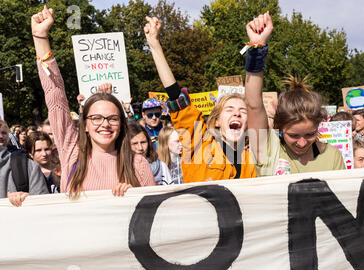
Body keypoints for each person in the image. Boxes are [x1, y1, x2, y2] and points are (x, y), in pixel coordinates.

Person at [32, 6, 155, 199]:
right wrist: (40, 37)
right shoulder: (71, 151)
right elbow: (55, 96)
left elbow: (154, 213)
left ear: (122, 124)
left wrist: (135, 197)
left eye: (112, 118)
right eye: (96, 118)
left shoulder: (137, 163)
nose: (105, 124)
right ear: (86, 124)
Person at [144, 16, 256, 182]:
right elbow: (176, 96)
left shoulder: (250, 161)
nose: (237, 114)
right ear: (217, 121)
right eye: (230, 109)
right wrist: (154, 45)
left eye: (243, 111)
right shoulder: (198, 143)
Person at [244, 12, 345, 176]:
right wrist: (257, 48)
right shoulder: (267, 149)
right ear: (280, 127)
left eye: (310, 134)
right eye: (293, 135)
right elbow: (253, 104)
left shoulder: (332, 156)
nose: (302, 143)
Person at [0, 120, 49, 206]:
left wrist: (28, 200)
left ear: (9, 135)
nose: (0, 136)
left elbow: (44, 206)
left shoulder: (27, 166)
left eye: (3, 133)